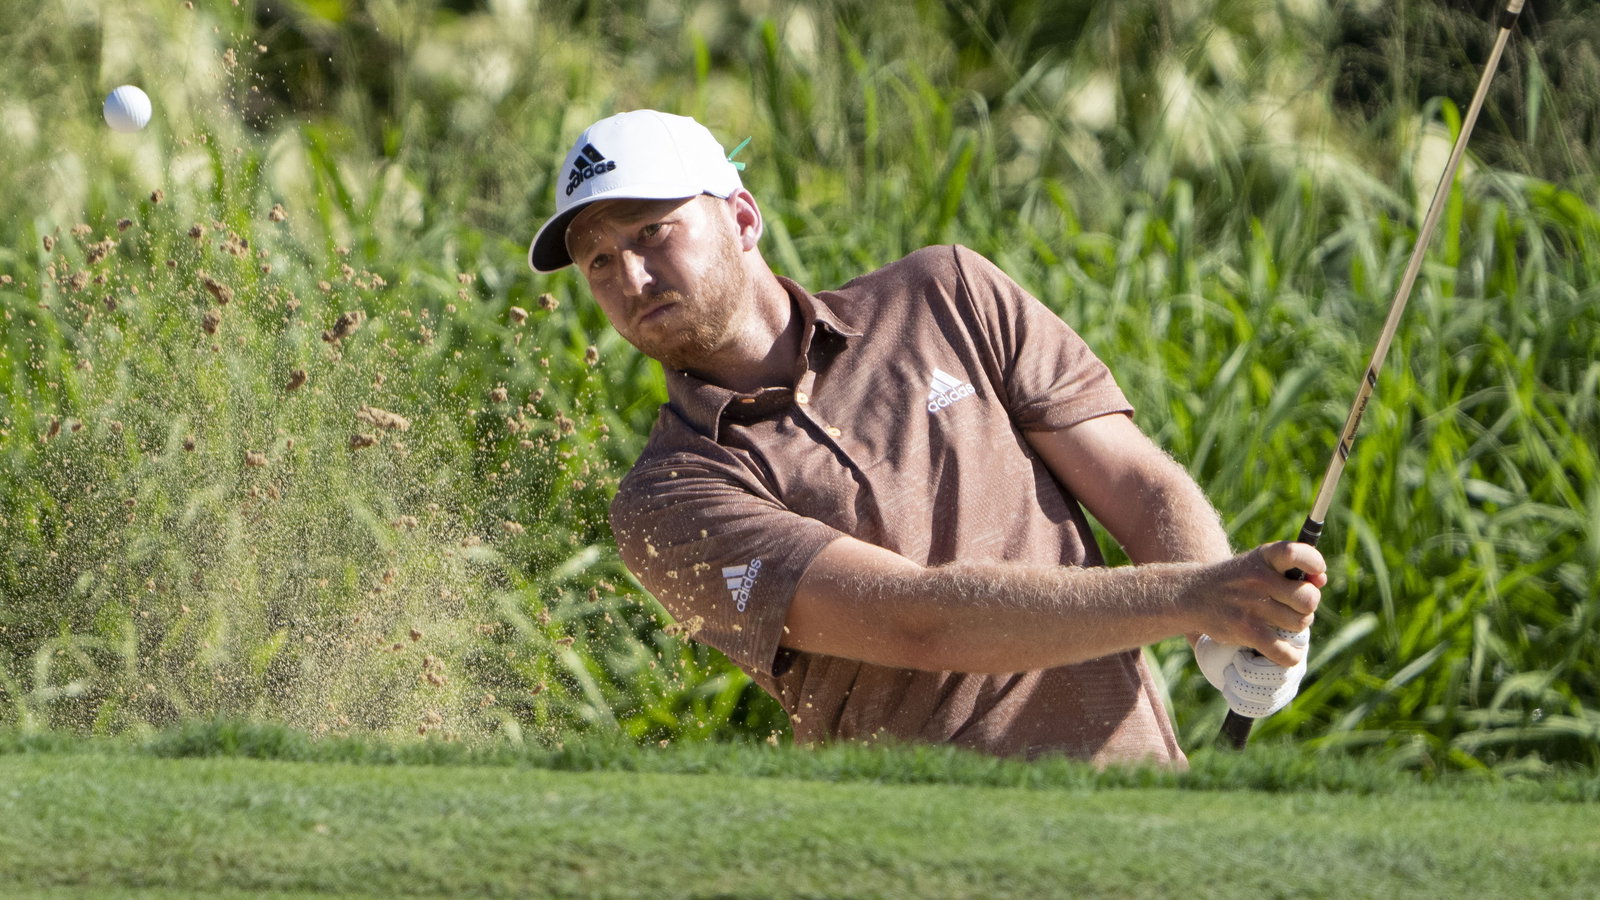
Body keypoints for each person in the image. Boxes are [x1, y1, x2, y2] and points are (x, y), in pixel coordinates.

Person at [527, 109, 1325, 765]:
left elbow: (1137, 482)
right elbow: (919, 620)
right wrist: (1193, 597)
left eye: (651, 234)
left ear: (739, 217)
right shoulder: (668, 497)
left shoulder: (948, 292)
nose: (628, 279)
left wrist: (1230, 627)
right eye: (599, 262)